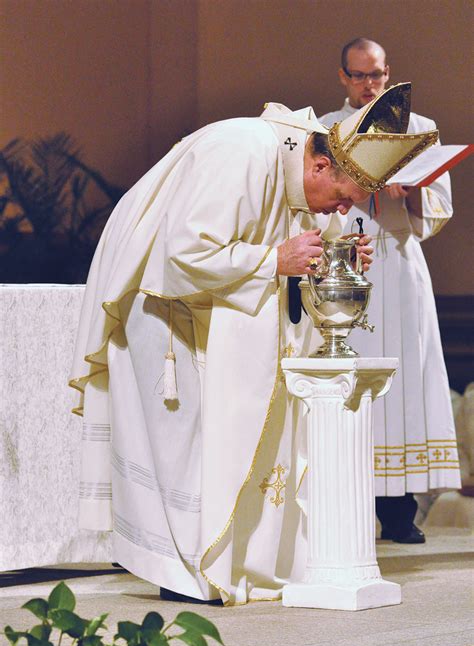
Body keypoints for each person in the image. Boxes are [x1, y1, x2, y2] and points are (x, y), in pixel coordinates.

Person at [70, 85, 437, 605]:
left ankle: (235, 566)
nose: (340, 210)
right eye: (342, 198)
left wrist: (338, 257)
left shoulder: (297, 177)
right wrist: (274, 261)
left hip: (213, 310)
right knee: (186, 443)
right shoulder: (240, 150)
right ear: (320, 166)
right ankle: (187, 573)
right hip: (159, 304)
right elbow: (183, 251)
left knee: (223, 435)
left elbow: (289, 251)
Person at [318, 39, 461, 544]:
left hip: (398, 261)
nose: (368, 86)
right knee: (352, 380)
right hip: (350, 258)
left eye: (376, 75)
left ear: (388, 73)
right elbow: (315, 196)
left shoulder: (419, 129)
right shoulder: (328, 130)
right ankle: (349, 504)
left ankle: (400, 511)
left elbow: (438, 208)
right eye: (358, 76)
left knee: (403, 378)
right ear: (342, 77)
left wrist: (413, 187)